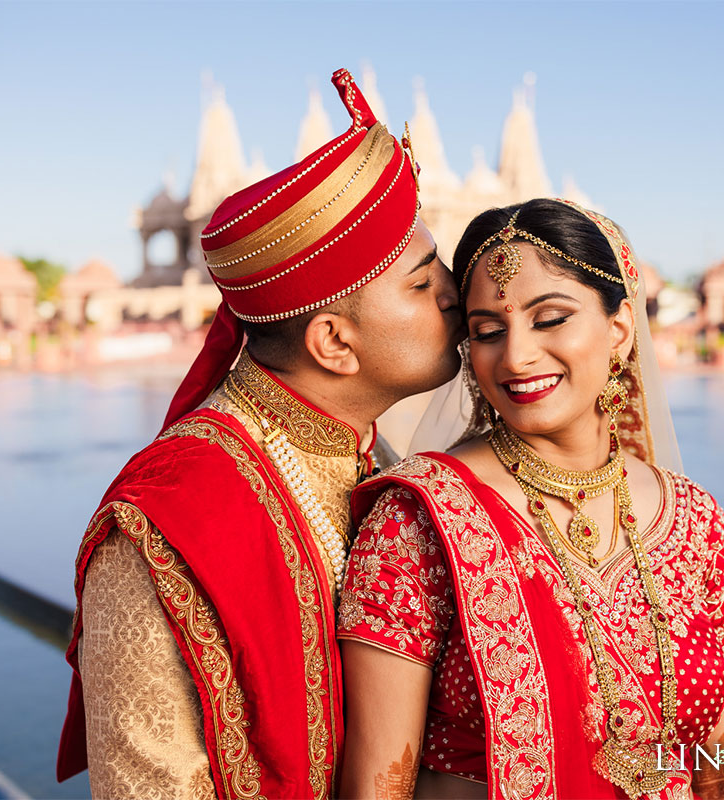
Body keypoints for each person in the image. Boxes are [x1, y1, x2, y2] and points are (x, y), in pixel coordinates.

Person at [57, 68, 464, 799]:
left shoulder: (378, 457)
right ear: (335, 344)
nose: (453, 295)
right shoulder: (166, 522)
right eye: (422, 282)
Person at [336, 199, 724, 800]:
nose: (516, 356)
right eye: (487, 331)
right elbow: (379, 788)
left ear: (619, 330)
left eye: (551, 318)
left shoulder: (695, 522)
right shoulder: (420, 519)